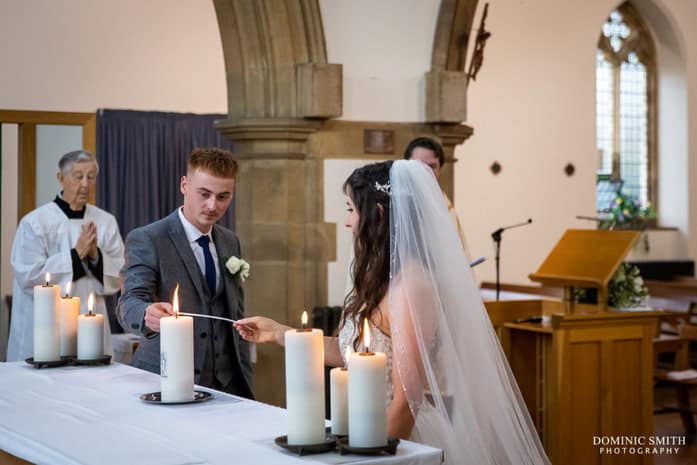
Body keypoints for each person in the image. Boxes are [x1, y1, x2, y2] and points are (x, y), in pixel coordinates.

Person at [234, 160, 549, 464]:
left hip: (400, 438)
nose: (347, 221)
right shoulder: (383, 278)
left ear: (378, 214)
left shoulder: (411, 286)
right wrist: (278, 332)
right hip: (368, 430)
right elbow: (352, 352)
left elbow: (406, 401)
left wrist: (374, 456)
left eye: (351, 209)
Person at [117, 147, 253, 398]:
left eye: (223, 197)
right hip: (163, 379)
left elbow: (235, 315)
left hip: (228, 385)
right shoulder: (148, 238)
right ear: (184, 185)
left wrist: (244, 377)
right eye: (204, 194)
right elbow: (128, 302)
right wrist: (146, 313)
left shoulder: (230, 241)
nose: (213, 205)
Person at [7, 150, 124, 361]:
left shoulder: (105, 221)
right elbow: (28, 275)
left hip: (90, 322)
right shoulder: (35, 223)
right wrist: (75, 254)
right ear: (60, 178)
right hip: (44, 327)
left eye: (91, 177)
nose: (85, 184)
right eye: (78, 177)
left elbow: (120, 273)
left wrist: (95, 255)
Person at [403, 137, 467, 248]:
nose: (425, 171)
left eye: (431, 166)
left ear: (439, 170)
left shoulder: (445, 206)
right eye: (418, 165)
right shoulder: (390, 199)